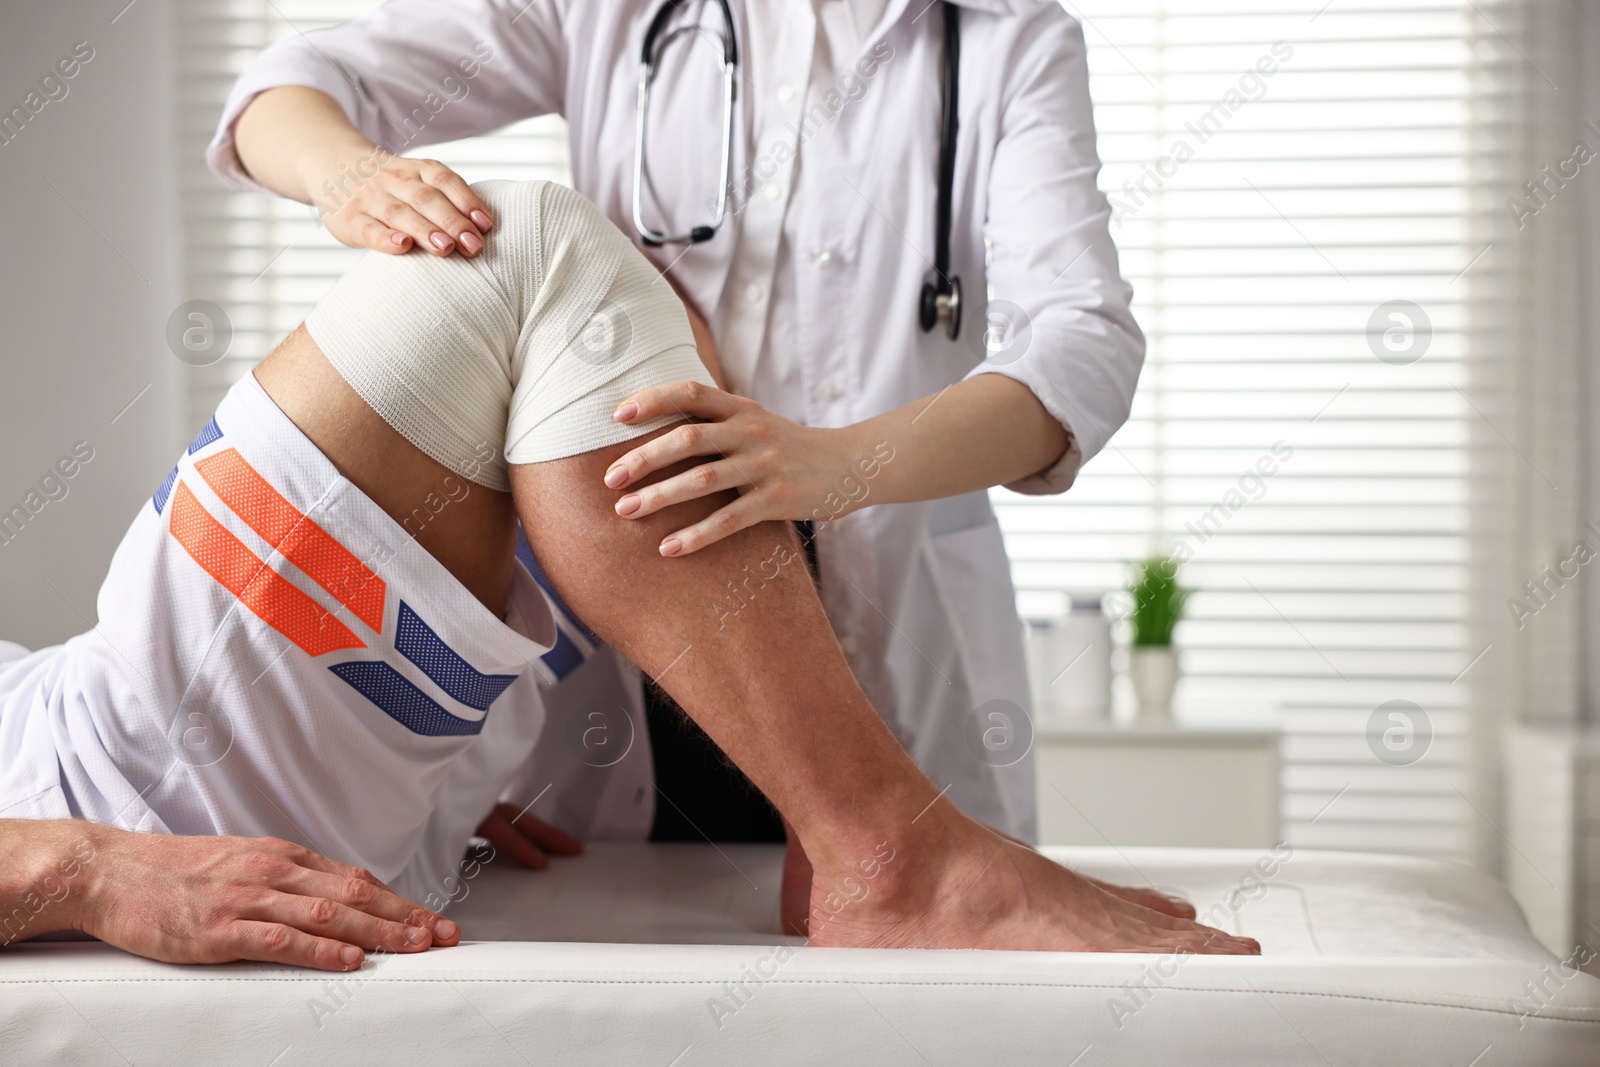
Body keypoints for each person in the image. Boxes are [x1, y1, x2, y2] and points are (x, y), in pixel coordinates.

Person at [0, 181, 1254, 970]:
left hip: (154, 752)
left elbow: (1079, 338)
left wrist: (433, 778)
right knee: (531, 259)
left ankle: (865, 833)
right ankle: (885, 849)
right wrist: (83, 868)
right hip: (125, 783)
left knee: (645, 328)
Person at [210, 0, 1143, 877]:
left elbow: (1083, 343)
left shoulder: (1010, 36)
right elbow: (289, 88)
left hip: (888, 619)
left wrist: (840, 463)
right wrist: (356, 178)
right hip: (639, 635)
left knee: (909, 953)